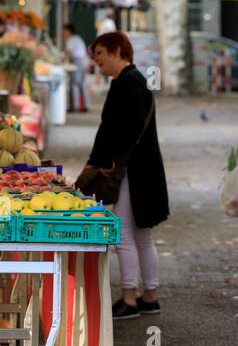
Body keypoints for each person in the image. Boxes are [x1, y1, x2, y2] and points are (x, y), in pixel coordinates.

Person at [82, 32, 169, 319]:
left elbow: (118, 130)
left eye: (100, 55)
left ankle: (129, 297)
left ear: (117, 51)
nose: (97, 63)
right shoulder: (136, 81)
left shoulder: (127, 83)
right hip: (146, 169)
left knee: (121, 235)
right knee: (142, 235)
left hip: (132, 170)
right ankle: (150, 296)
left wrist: (103, 161)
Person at [63, 22, 89, 113]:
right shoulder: (78, 38)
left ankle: (75, 106)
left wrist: (63, 58)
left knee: (74, 84)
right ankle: (86, 106)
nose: (63, 33)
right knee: (82, 84)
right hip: (84, 61)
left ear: (68, 31)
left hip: (77, 61)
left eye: (64, 30)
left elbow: (68, 53)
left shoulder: (70, 40)